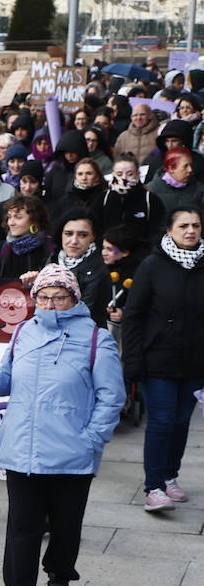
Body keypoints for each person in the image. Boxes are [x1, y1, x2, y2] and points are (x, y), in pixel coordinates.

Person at [0, 265, 123, 586]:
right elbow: (7, 378)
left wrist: (90, 440)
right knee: (21, 525)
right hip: (22, 448)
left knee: (66, 523)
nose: (51, 304)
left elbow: (111, 397)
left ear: (75, 298)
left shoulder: (95, 338)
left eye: (59, 297)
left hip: (72, 453)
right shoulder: (24, 331)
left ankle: (59, 578)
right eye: (43, 297)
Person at [121, 206, 204, 512]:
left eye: (196, 225)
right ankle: (154, 486)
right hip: (158, 361)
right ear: (170, 230)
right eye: (183, 225)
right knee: (162, 421)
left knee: (181, 422)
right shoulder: (153, 265)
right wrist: (132, 363)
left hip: (195, 363)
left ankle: (170, 476)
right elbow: (134, 316)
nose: (191, 230)